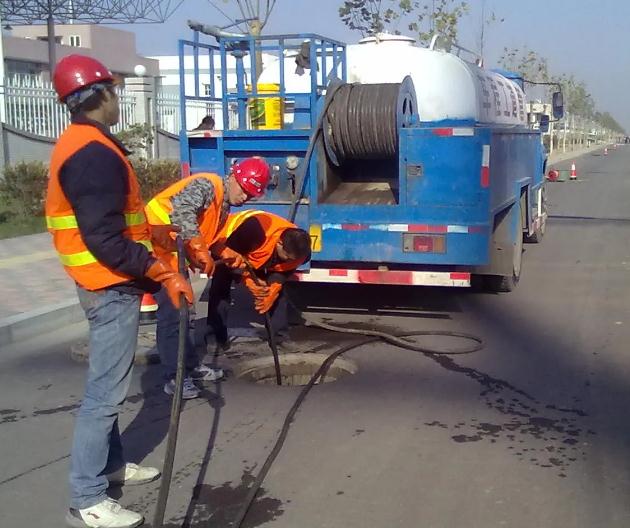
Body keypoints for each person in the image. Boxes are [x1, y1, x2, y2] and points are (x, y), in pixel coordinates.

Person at [46, 54, 193, 528]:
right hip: (107, 286)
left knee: (108, 386)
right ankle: (86, 498)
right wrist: (161, 272)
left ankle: (110, 466)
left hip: (103, 282)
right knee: (104, 394)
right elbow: (105, 239)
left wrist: (161, 247)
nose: (118, 99)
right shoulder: (92, 155)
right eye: (114, 91)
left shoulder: (84, 143)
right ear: (98, 95)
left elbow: (120, 224)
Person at [145, 158, 271, 399]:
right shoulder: (207, 185)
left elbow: (211, 237)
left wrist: (226, 253)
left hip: (173, 251)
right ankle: (175, 377)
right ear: (233, 176)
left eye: (251, 194)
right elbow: (182, 210)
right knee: (175, 313)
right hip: (158, 247)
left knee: (186, 313)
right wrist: (199, 249)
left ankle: (189, 367)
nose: (246, 197)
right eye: (244, 189)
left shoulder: (223, 207)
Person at [206, 210, 311, 350]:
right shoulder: (255, 230)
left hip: (258, 256)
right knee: (220, 289)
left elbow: (284, 269)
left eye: (293, 259)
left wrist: (275, 285)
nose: (289, 260)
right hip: (229, 246)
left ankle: (279, 337)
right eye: (287, 256)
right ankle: (216, 339)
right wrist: (248, 281)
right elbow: (230, 258)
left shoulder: (300, 252)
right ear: (279, 243)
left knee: (276, 295)